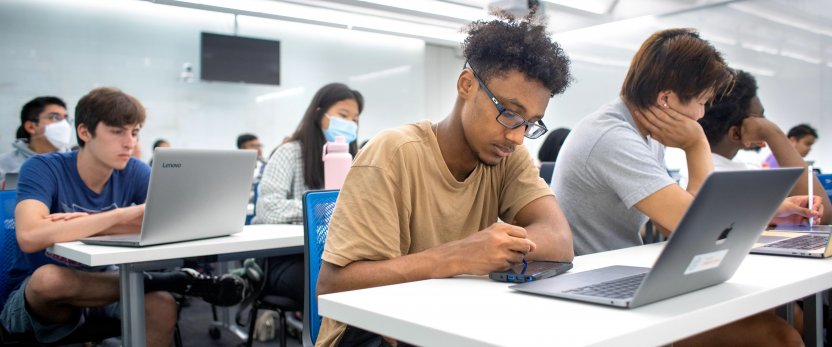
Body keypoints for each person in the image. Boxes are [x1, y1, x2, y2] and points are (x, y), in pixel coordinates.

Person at [316, 13, 574, 346]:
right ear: (467, 84)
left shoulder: (508, 156)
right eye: (509, 112)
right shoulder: (394, 154)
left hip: (449, 323)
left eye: (531, 123)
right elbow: (334, 284)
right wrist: (458, 256)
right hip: (368, 334)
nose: (518, 137)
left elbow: (559, 240)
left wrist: (492, 249)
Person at [553, 28, 807, 346]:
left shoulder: (641, 133)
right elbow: (693, 230)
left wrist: (768, 207)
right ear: (667, 99)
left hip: (626, 279)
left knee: (782, 314)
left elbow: (675, 220)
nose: (701, 114)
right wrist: (696, 145)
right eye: (701, 102)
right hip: (599, 301)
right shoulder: (612, 137)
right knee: (781, 338)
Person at [0, 87, 245, 346]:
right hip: (39, 299)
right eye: (117, 132)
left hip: (106, 280)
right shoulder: (42, 167)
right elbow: (30, 236)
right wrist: (120, 215)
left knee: (161, 305)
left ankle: (163, 284)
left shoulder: (134, 170)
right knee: (49, 279)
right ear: (84, 132)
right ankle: (169, 281)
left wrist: (78, 224)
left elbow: (166, 221)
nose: (130, 143)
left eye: (135, 132)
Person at [251, 83, 363, 307]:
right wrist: (318, 210)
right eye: (343, 115)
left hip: (335, 256)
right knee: (342, 292)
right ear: (318, 113)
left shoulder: (354, 159)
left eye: (355, 119)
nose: (350, 123)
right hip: (288, 258)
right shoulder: (290, 153)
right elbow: (266, 208)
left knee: (369, 284)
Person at [684, 69, 830, 224]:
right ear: (736, 133)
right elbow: (823, 217)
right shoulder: (722, 176)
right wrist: (773, 133)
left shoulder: (735, 168)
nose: (765, 122)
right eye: (760, 117)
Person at [0, 96, 72, 181]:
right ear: (31, 127)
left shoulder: (78, 163)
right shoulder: (3, 165)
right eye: (55, 117)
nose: (64, 125)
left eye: (66, 119)